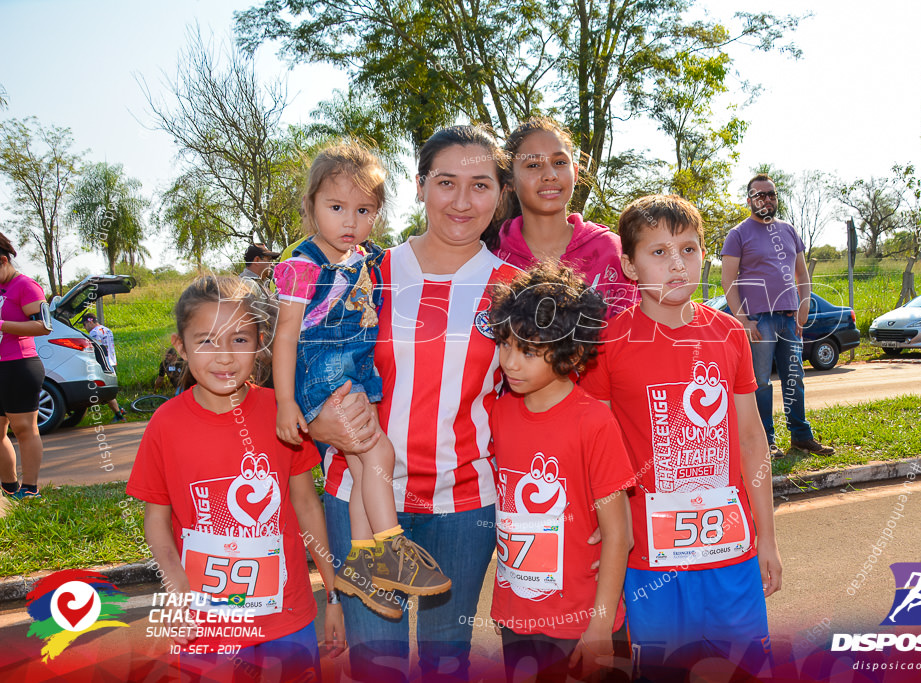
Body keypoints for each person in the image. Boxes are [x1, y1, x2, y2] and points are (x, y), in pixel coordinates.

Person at [307, 125, 519, 682]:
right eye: (446, 182)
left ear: (500, 195)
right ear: (421, 185)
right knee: (377, 665)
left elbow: (536, 402)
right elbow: (309, 357)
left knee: (447, 662)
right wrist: (315, 419)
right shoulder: (363, 272)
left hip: (465, 505)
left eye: (480, 185)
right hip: (356, 494)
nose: (462, 200)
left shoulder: (514, 290)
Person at [580, 194, 782, 680]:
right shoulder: (606, 343)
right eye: (658, 252)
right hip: (649, 560)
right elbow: (595, 453)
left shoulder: (730, 335)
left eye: (688, 250)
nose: (676, 264)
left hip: (730, 552)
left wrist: (768, 540)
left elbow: (753, 442)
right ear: (628, 265)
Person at [126, 275, 344, 681]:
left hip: (288, 619)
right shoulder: (164, 425)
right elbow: (156, 520)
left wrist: (333, 594)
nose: (224, 357)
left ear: (260, 341)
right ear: (181, 346)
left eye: (239, 340)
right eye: (206, 341)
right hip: (205, 625)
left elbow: (307, 506)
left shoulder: (282, 413)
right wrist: (176, 589)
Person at [273, 140, 450, 619]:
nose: (350, 222)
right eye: (336, 208)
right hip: (322, 373)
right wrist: (286, 403)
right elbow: (285, 336)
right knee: (379, 455)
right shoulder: (300, 265)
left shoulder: (366, 257)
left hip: (356, 370)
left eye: (363, 210)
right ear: (311, 209)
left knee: (361, 470)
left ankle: (359, 565)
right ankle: (391, 548)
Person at [488, 263, 633, 683]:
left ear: (570, 352)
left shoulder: (593, 423)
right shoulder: (499, 412)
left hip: (584, 626)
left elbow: (618, 535)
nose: (510, 362)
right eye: (505, 344)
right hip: (519, 622)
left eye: (529, 351)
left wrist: (601, 627)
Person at [720, 173, 835, 458]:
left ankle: (800, 436)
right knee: (760, 381)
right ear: (749, 200)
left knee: (794, 377)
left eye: (771, 194)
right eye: (760, 195)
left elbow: (802, 274)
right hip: (759, 319)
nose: (767, 199)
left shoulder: (788, 230)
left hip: (789, 316)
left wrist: (804, 304)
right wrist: (743, 319)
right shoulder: (738, 234)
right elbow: (727, 281)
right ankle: (765, 441)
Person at [493, 117, 638, 315]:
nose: (550, 174)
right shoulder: (492, 254)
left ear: (575, 172)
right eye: (533, 165)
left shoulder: (612, 251)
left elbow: (637, 332)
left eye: (560, 162)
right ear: (510, 179)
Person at [0, 232, 50, 501]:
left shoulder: (26, 286)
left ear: (3, 260)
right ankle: (8, 487)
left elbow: (43, 326)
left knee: (24, 429)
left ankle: (30, 488)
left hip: (19, 365)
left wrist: (2, 326)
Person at [83, 313, 127, 422]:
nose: (84, 328)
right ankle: (120, 410)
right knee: (108, 388)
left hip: (104, 363)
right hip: (112, 362)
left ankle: (119, 415)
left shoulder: (94, 333)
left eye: (84, 324)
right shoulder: (107, 330)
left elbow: (93, 349)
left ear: (90, 321)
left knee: (105, 390)